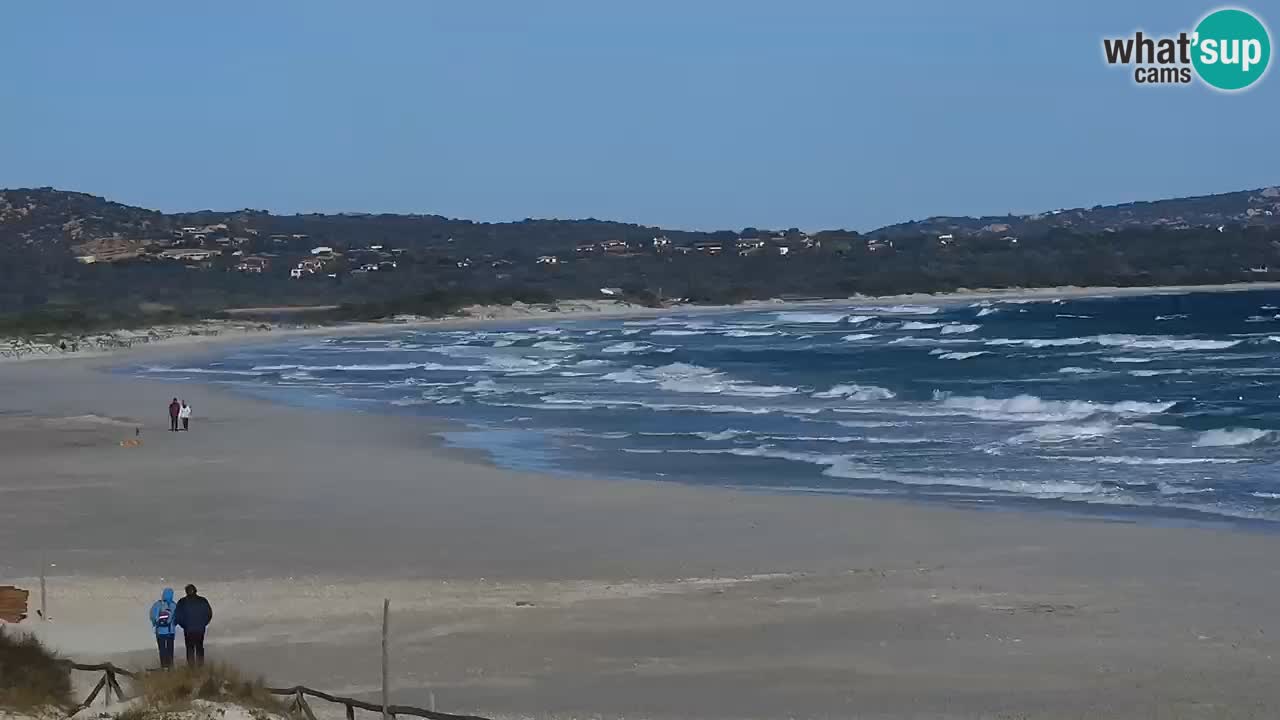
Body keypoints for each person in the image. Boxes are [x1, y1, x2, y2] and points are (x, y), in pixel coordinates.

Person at [174, 584, 213, 667]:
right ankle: (200, 666)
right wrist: (203, 623)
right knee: (199, 647)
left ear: (186, 592)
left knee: (190, 648)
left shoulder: (182, 602)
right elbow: (209, 614)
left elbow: (178, 616)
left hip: (189, 629)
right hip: (200, 629)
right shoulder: (203, 601)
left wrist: (184, 625)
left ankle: (191, 668)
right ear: (195, 591)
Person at [148, 587, 177, 669]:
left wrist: (155, 624)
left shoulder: (157, 604)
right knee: (170, 650)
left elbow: (152, 616)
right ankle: (170, 667)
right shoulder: (174, 605)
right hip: (170, 632)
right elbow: (176, 618)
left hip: (160, 632)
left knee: (162, 650)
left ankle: (164, 666)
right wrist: (173, 625)